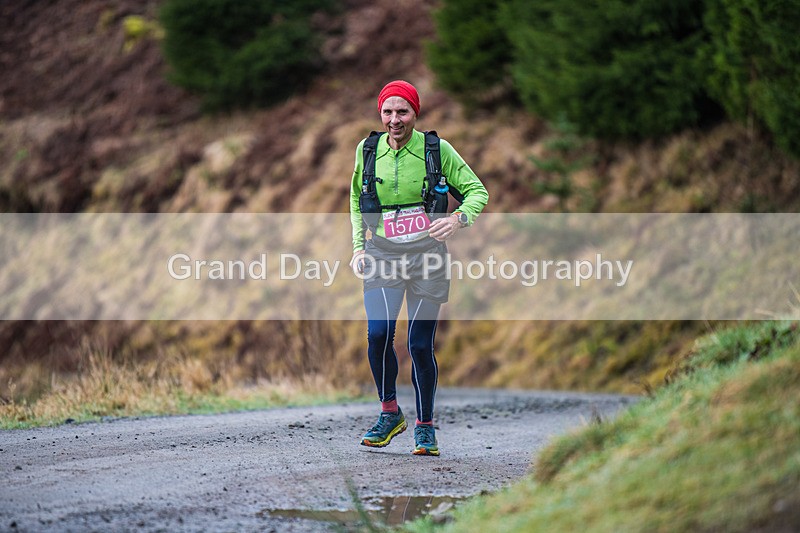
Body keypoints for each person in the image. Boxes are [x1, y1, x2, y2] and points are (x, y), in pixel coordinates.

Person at [349, 80, 489, 456]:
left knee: (418, 344)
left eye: (403, 112)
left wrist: (459, 218)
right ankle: (389, 412)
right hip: (382, 254)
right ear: (380, 114)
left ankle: (425, 428)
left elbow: (477, 191)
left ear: (415, 113)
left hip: (428, 257)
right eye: (388, 112)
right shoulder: (367, 149)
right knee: (378, 335)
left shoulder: (436, 149)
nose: (395, 120)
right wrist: (358, 247)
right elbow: (355, 199)